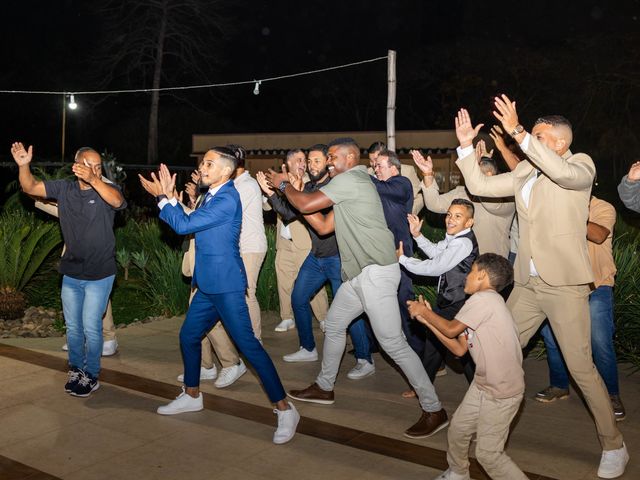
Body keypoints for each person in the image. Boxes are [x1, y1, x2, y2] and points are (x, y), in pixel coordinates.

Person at [454, 98, 628, 478]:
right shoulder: (526, 173)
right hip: (528, 284)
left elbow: (564, 176)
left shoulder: (580, 166)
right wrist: (466, 147)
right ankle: (470, 434)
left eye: (537, 136)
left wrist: (517, 132)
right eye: (530, 135)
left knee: (582, 369)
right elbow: (479, 183)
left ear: (561, 143)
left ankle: (614, 444)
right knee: (496, 352)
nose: (528, 142)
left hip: (564, 285)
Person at [267, 138, 448, 439]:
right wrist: (295, 196)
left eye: (333, 156)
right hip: (359, 277)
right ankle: (325, 388)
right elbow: (323, 225)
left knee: (393, 344)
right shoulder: (351, 187)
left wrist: (284, 185)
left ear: (350, 157)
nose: (328, 161)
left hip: (375, 274)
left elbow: (305, 202)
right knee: (336, 325)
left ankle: (434, 409)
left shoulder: (351, 178)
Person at [138, 148, 299, 444]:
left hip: (226, 286)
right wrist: (171, 197)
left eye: (209, 164)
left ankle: (285, 408)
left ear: (226, 171)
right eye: (202, 162)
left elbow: (184, 225)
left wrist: (162, 198)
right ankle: (192, 394)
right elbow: (195, 221)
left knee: (249, 347)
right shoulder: (211, 194)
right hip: (207, 286)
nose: (203, 167)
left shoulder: (227, 197)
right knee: (188, 337)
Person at [12, 143, 126, 397]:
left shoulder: (109, 189)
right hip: (72, 272)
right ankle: (76, 369)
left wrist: (96, 180)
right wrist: (23, 166)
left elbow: (118, 202)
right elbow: (30, 188)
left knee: (90, 326)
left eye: (98, 166)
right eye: (88, 165)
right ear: (76, 166)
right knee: (73, 327)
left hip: (100, 272)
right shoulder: (64, 189)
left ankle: (92, 375)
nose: (94, 170)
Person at [408, 253, 528, 480]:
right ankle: (458, 472)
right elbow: (459, 349)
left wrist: (425, 312)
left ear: (482, 275)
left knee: (488, 454)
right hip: (483, 384)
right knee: (458, 431)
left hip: (502, 392)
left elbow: (452, 329)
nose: (466, 277)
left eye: (470, 271)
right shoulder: (484, 303)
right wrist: (427, 320)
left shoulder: (484, 300)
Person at [257, 145, 373, 379]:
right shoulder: (308, 187)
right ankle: (307, 348)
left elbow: (313, 211)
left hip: (339, 258)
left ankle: (364, 359)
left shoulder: (335, 186)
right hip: (316, 257)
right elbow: (289, 215)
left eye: (317, 161)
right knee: (298, 298)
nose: (312, 165)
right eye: (310, 161)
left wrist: (285, 187)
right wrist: (270, 193)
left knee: (350, 310)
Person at [536, 196, 626, 420]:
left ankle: (611, 394)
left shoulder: (603, 207)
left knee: (599, 340)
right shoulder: (559, 204)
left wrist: (569, 215)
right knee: (551, 336)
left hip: (597, 284)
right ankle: (559, 385)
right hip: (564, 284)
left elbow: (598, 235)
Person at [398, 199, 478, 383]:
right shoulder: (455, 237)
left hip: (458, 300)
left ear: (469, 222)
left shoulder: (463, 243)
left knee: (436, 343)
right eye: (449, 215)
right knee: (454, 346)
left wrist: (403, 260)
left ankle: (422, 388)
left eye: (458, 216)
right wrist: (417, 235)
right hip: (452, 298)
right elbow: (437, 253)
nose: (450, 219)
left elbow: (434, 267)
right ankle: (478, 386)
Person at [34, 199, 120, 356]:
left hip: (97, 256)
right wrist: (35, 193)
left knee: (99, 298)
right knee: (76, 300)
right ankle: (79, 339)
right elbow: (60, 208)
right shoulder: (72, 189)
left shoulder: (106, 189)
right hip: (74, 260)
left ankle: (108, 338)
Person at [412, 142, 515, 258]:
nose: (467, 176)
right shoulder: (462, 192)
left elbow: (491, 204)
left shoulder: (506, 197)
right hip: (461, 263)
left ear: (489, 174)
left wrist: (475, 162)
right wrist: (427, 174)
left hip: (491, 264)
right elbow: (434, 204)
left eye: (472, 172)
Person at [271, 149, 328, 332]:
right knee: (284, 280)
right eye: (299, 160)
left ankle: (324, 317)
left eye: (305, 160)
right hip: (284, 242)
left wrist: (286, 185)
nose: (304, 164)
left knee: (313, 284)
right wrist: (270, 189)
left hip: (305, 242)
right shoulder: (280, 183)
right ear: (288, 164)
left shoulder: (309, 184)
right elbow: (268, 206)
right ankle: (287, 317)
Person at [368, 141, 424, 215]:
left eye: (376, 159)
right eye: (371, 160)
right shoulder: (367, 173)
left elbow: (419, 198)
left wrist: (406, 215)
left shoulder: (407, 171)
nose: (374, 164)